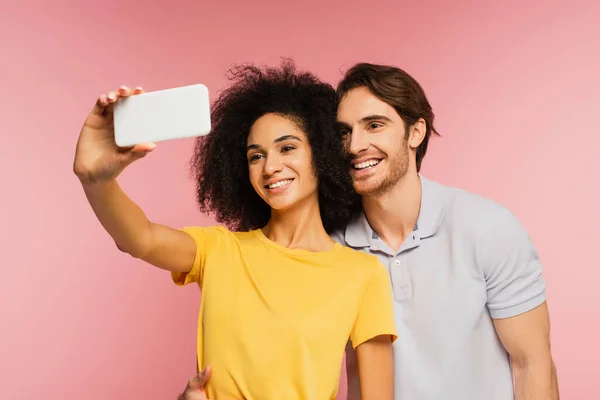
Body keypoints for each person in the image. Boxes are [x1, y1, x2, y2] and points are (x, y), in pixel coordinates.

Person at [72, 60, 397, 400]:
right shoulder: (219, 250)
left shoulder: (362, 274)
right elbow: (138, 238)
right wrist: (95, 178)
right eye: (256, 156)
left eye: (287, 148)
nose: (270, 167)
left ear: (323, 155)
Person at [335, 63, 560, 400]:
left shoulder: (487, 227)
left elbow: (532, 365)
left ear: (415, 132)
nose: (355, 145)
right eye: (344, 131)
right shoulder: (329, 244)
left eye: (374, 125)